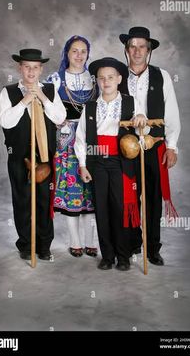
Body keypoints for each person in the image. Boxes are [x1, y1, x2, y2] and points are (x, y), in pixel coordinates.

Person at [119, 26, 181, 265]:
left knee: (153, 199)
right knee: (130, 197)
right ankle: (134, 244)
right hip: (126, 146)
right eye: (132, 46)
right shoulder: (117, 76)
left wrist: (172, 146)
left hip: (154, 146)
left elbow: (172, 112)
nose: (137, 51)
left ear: (149, 50)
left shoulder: (161, 76)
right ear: (126, 50)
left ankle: (153, 248)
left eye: (141, 46)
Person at [0, 48, 66, 261]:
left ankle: (44, 245)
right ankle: (27, 244)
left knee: (45, 200)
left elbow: (59, 117)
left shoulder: (51, 90)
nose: (31, 71)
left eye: (35, 67)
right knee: (23, 199)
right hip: (19, 156)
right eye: (27, 67)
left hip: (45, 157)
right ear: (20, 68)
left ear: (41, 69)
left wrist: (43, 98)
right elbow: (5, 121)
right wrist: (25, 101)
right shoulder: (7, 92)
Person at [74, 57, 141, 271]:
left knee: (119, 208)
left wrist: (141, 119)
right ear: (97, 81)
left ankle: (123, 255)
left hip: (121, 162)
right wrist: (83, 165)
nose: (106, 81)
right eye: (101, 78)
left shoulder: (131, 103)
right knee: (101, 209)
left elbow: (144, 131)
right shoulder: (90, 107)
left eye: (111, 77)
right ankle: (107, 255)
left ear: (119, 79)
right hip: (97, 162)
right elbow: (81, 138)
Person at [46, 35, 98, 258]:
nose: (79, 55)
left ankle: (91, 241)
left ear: (88, 54)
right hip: (66, 140)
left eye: (83, 51)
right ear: (67, 53)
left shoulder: (96, 77)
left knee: (92, 190)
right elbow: (47, 111)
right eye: (74, 51)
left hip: (91, 139)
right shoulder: (55, 79)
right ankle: (75, 242)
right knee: (71, 189)